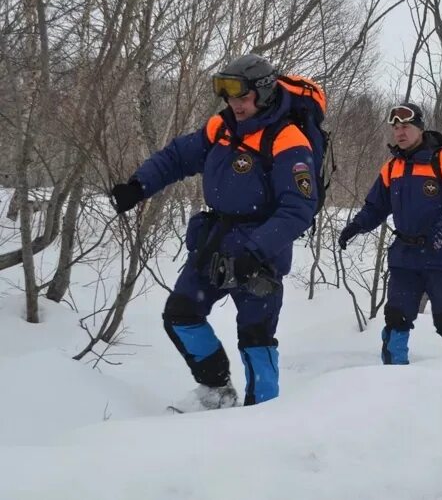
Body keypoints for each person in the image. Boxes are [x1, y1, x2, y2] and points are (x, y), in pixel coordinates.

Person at [110, 54, 317, 409]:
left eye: (242, 96)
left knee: (257, 337)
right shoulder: (220, 128)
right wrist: (138, 186)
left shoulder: (287, 139)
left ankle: (266, 415)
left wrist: (255, 251)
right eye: (228, 96)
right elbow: (176, 157)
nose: (234, 104)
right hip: (215, 242)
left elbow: (298, 208)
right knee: (181, 315)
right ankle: (217, 390)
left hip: (260, 253)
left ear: (264, 93)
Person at [338, 103, 442, 364]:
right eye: (395, 128)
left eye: (405, 126)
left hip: (441, 254)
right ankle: (396, 375)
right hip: (405, 256)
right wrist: (356, 226)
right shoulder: (392, 167)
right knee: (397, 316)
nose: (399, 132)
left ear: (420, 128)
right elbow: (376, 206)